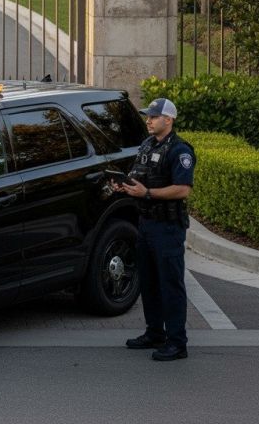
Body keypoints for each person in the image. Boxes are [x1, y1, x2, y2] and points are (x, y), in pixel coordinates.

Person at [113, 97, 196, 361]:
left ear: (168, 120)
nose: (148, 120)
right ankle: (154, 333)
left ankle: (177, 342)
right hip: (146, 224)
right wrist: (125, 186)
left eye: (153, 116)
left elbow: (183, 189)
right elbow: (139, 177)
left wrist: (147, 192)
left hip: (168, 227)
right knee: (148, 282)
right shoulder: (147, 144)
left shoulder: (180, 150)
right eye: (148, 116)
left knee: (170, 284)